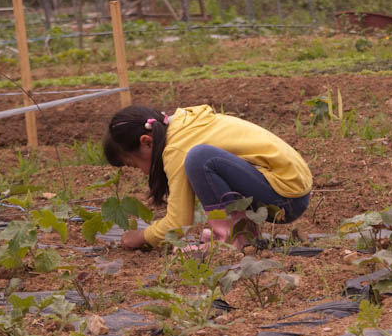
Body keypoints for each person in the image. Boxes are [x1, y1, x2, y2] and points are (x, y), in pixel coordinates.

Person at [103, 104, 312, 250]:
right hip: (292, 187)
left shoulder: (177, 148)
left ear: (146, 142)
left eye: (134, 164)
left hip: (286, 198)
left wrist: (139, 237)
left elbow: (178, 224)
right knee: (202, 158)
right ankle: (242, 235)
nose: (142, 172)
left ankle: (232, 242)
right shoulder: (184, 125)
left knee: (200, 159)